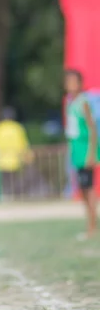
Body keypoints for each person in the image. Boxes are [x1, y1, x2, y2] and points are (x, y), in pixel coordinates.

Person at [64, 69, 99, 239]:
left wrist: (92, 154)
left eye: (74, 82)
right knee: (83, 191)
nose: (71, 85)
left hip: (85, 152)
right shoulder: (70, 102)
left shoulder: (83, 102)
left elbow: (92, 129)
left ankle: (92, 227)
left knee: (89, 190)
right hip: (77, 153)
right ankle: (90, 224)